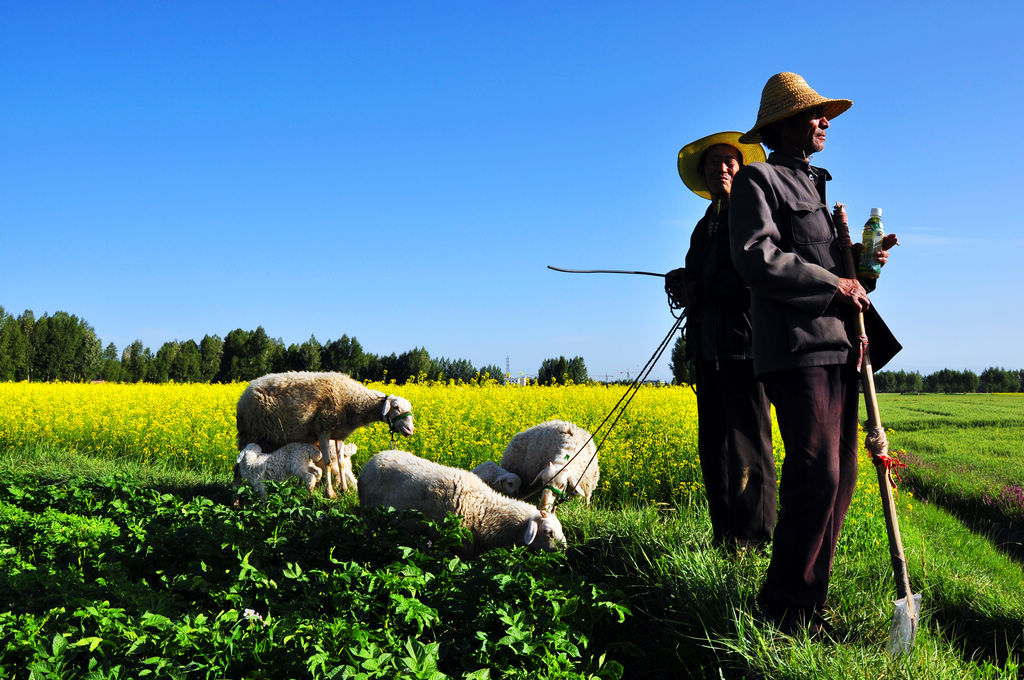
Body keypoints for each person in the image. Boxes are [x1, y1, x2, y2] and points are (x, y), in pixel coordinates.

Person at [727, 73, 900, 634]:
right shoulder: (760, 180)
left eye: (825, 114)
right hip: (795, 349)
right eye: (814, 113)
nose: (825, 121)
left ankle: (808, 603)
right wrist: (834, 284)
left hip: (839, 347)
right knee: (817, 472)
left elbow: (845, 276)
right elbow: (758, 257)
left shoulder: (819, 192)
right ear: (782, 125)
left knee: (841, 477)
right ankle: (784, 606)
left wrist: (865, 266)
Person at [672, 131, 776, 550]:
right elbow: (699, 276)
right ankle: (724, 536)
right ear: (705, 175)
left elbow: (754, 279)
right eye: (714, 163)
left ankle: (752, 543)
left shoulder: (750, 216)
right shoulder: (703, 227)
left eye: (730, 161)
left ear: (742, 168)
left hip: (746, 349)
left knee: (749, 448)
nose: (722, 168)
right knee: (713, 449)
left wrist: (703, 288)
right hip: (708, 351)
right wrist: (682, 282)